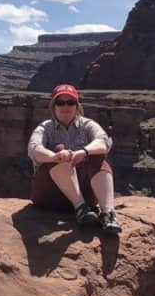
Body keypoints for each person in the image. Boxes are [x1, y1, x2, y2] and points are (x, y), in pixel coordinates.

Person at [27, 83, 122, 234]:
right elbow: (34, 149)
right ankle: (80, 209)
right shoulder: (45, 127)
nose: (66, 106)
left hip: (85, 195)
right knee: (59, 149)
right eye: (60, 102)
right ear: (53, 106)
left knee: (97, 155)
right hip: (50, 196)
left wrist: (84, 152)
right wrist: (55, 157)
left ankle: (108, 214)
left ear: (77, 106)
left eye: (70, 102)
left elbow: (104, 142)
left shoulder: (88, 125)